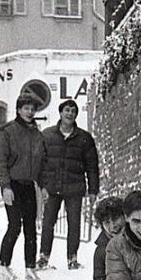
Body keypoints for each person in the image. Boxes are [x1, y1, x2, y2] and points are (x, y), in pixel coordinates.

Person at [36, 99, 99, 270]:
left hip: (74, 188)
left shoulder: (84, 138)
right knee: (48, 222)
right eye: (67, 110)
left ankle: (72, 259)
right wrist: (42, 186)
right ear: (61, 112)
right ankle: (43, 257)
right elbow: (40, 163)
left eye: (73, 111)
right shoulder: (47, 135)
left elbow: (92, 166)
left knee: (74, 223)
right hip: (52, 187)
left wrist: (93, 189)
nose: (70, 113)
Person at [0, 95, 46, 280]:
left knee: (31, 227)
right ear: (18, 110)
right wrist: (5, 186)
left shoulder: (37, 134)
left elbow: (41, 161)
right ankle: (3, 265)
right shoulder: (6, 132)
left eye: (32, 109)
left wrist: (42, 184)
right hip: (12, 184)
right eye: (26, 108)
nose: (30, 112)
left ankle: (30, 268)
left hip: (29, 185)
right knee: (15, 225)